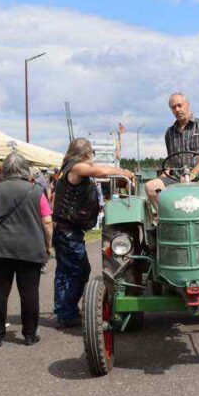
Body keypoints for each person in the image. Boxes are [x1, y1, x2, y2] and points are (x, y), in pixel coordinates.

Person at [52, 138, 134, 328]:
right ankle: (68, 312)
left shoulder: (68, 167)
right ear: (84, 153)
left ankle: (64, 311)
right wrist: (122, 172)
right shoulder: (75, 167)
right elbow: (102, 171)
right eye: (90, 154)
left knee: (64, 272)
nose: (91, 159)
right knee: (80, 271)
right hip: (68, 231)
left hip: (66, 230)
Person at [0, 152, 53, 347]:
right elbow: (47, 221)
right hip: (30, 247)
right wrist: (48, 245)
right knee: (29, 292)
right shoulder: (36, 190)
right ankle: (29, 335)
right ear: (25, 169)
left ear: (4, 170)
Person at [144, 92, 199, 209]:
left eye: (180, 105)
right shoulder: (169, 133)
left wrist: (192, 175)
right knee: (151, 186)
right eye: (173, 107)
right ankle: (166, 221)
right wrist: (164, 175)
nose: (177, 109)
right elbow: (171, 161)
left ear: (187, 105)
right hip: (178, 178)